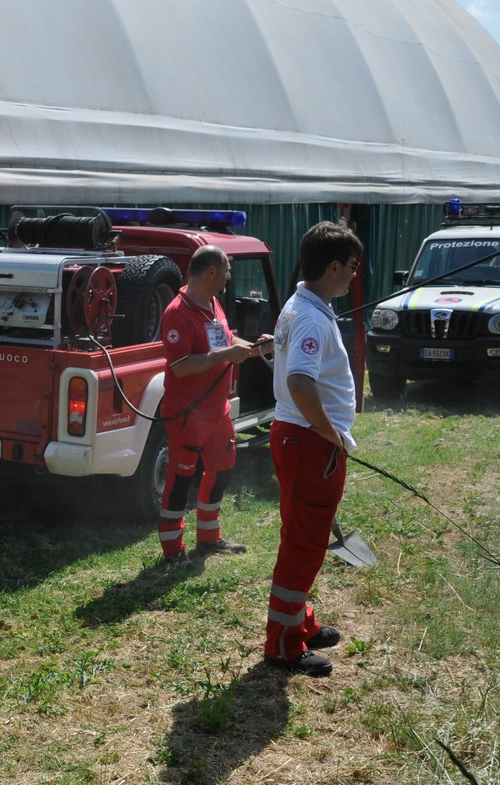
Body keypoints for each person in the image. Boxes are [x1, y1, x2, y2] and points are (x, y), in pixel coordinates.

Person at [262, 221, 365, 676]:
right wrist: (332, 434)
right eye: (353, 268)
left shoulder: (305, 305)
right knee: (303, 544)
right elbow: (299, 382)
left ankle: (301, 623)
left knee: (305, 536)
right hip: (309, 442)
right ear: (334, 266)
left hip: (299, 438)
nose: (354, 277)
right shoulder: (308, 315)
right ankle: (283, 645)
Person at [155, 245, 274, 565]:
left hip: (216, 410)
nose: (229, 276)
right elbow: (180, 366)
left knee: (222, 468)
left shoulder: (212, 304)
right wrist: (225, 355)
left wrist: (254, 348)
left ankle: (209, 538)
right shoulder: (177, 313)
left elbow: (224, 342)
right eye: (227, 271)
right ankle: (173, 551)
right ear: (211, 272)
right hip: (187, 413)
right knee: (180, 479)